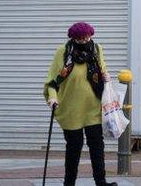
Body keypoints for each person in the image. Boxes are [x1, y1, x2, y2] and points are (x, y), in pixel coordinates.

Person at [44, 22, 117, 186]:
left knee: (97, 146)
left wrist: (106, 76)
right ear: (74, 38)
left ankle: (101, 182)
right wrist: (52, 98)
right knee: (74, 148)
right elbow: (52, 81)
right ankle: (69, 183)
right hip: (71, 109)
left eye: (87, 37)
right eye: (81, 39)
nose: (85, 41)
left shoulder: (97, 49)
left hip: (94, 108)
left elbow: (102, 69)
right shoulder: (63, 52)